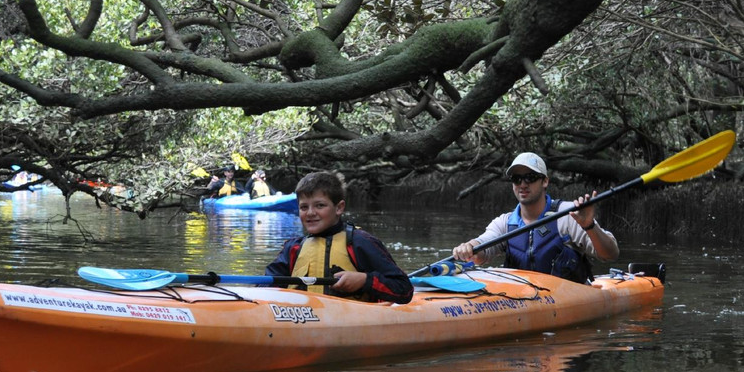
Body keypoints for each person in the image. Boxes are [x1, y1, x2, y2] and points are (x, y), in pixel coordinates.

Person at [451, 152, 618, 283]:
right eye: (517, 179)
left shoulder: (569, 214)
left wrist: (590, 226)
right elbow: (482, 249)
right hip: (522, 299)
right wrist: (469, 247)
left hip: (566, 297)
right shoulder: (505, 222)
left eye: (530, 178)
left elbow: (610, 254)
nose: (523, 184)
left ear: (545, 181)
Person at [265, 171, 413, 303]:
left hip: (351, 323)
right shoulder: (293, 248)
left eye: (320, 205)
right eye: (304, 207)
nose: (310, 213)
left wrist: (364, 280)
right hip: (300, 320)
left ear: (339, 208)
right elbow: (265, 287)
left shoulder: (359, 242)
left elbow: (404, 289)